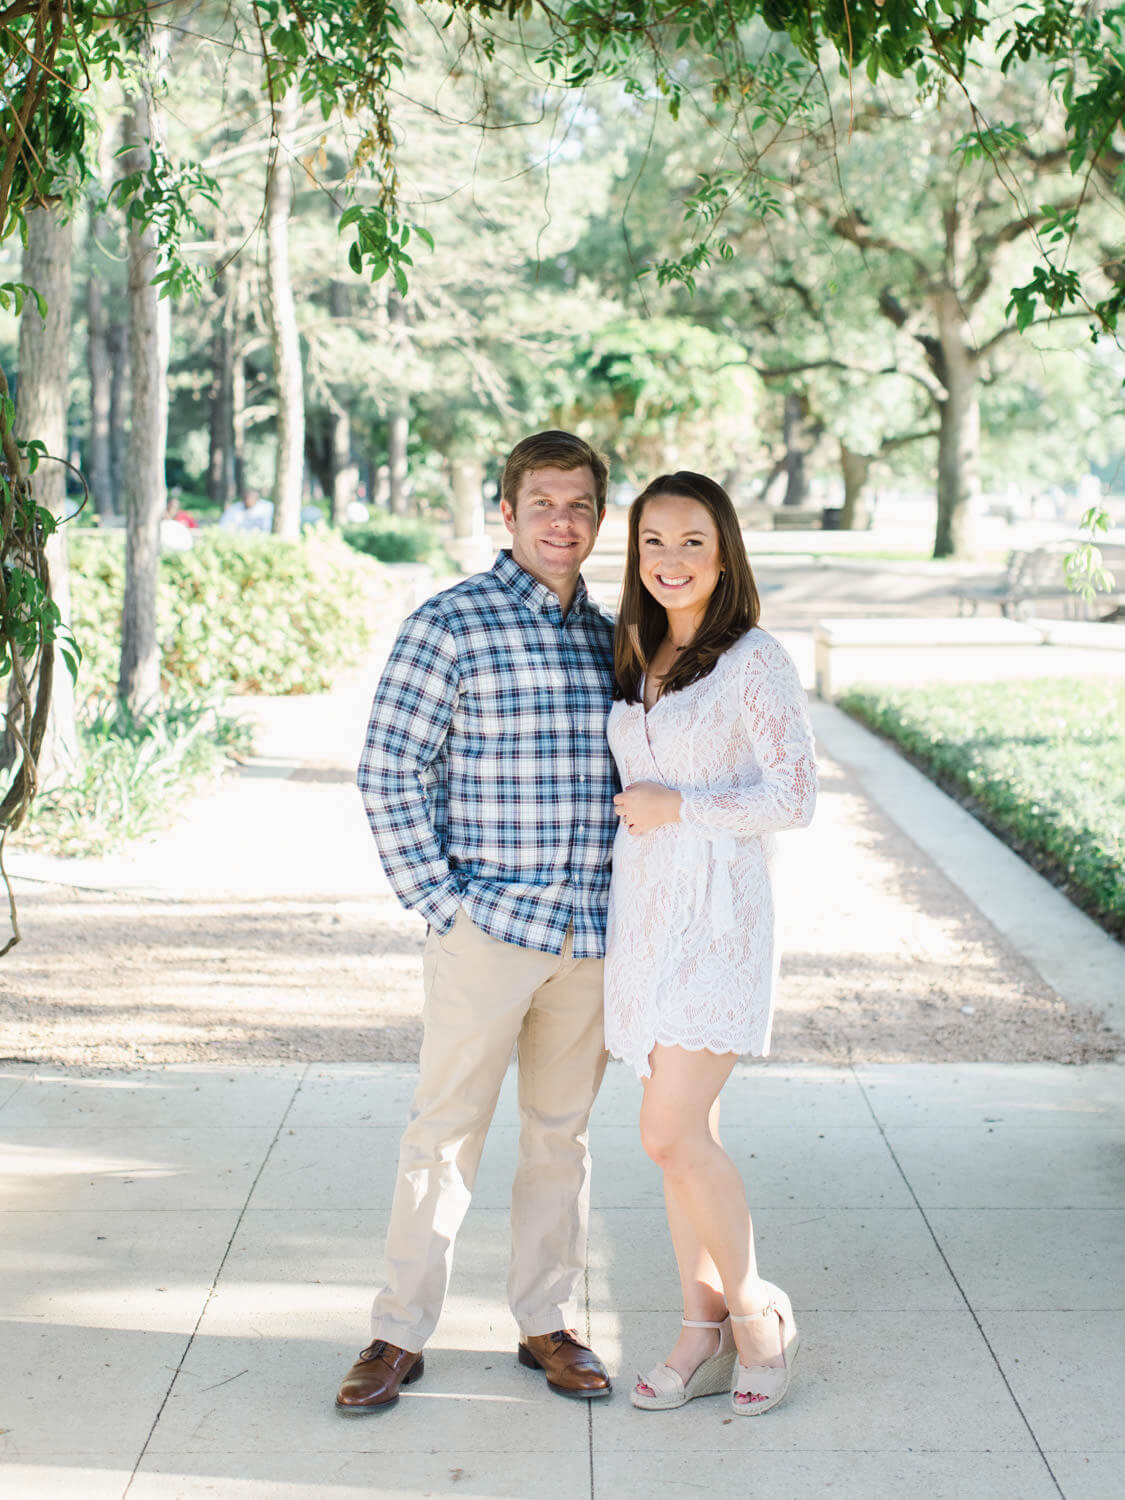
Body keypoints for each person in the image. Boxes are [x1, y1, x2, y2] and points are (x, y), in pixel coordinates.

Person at [336, 430, 619, 1413]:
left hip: (588, 940)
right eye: (543, 502)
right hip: (486, 931)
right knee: (443, 1135)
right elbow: (387, 768)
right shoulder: (450, 623)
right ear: (506, 512)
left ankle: (547, 1320)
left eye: (580, 505)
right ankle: (397, 1332)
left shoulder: (611, 636)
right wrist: (440, 907)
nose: (561, 521)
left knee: (560, 1139)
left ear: (597, 517)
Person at [605, 470, 816, 1418]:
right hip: (645, 920)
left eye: (691, 540)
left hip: (719, 918)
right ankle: (697, 1333)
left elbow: (793, 796)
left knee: (667, 1130)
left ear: (723, 550)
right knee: (680, 1143)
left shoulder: (754, 661)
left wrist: (677, 806)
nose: (671, 559)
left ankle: (755, 1315)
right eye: (653, 540)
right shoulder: (640, 654)